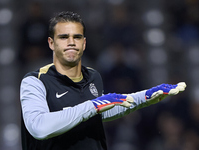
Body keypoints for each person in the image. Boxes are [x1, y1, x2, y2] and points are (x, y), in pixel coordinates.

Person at [20, 11, 186, 150]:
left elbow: (101, 111)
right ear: (51, 43)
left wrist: (144, 98)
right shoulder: (35, 81)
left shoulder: (93, 77)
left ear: (84, 43)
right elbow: (39, 128)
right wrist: (94, 105)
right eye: (64, 37)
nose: (71, 42)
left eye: (77, 37)